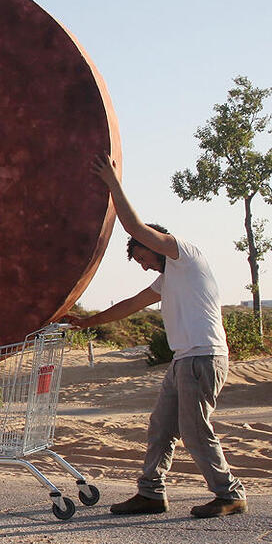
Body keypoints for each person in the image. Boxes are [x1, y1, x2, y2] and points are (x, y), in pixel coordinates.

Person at [70, 153, 248, 518]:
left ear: (156, 243)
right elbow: (131, 304)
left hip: (203, 356)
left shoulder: (185, 255)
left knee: (195, 430)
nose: (144, 265)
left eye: (143, 258)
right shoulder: (168, 279)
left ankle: (229, 493)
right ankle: (151, 493)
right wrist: (89, 323)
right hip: (184, 359)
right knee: (161, 427)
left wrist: (112, 183)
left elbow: (135, 227)